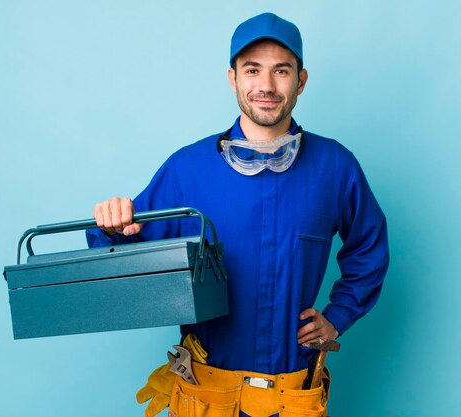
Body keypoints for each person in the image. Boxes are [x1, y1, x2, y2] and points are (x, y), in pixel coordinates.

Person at [86, 12, 389, 417]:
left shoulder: (335, 167)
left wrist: (338, 316)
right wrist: (111, 226)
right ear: (233, 78)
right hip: (206, 398)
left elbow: (369, 247)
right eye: (252, 70)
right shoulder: (187, 169)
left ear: (300, 81)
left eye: (281, 71)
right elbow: (127, 251)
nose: (266, 85)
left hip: (291, 397)